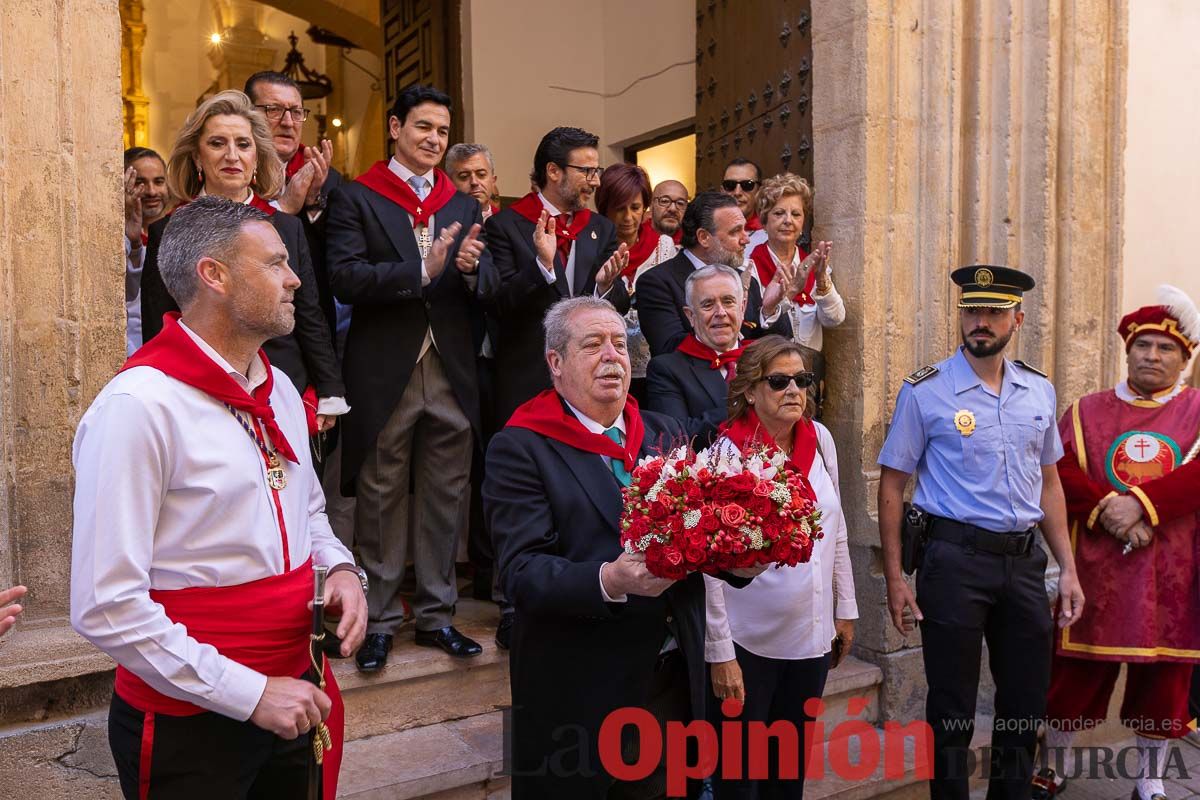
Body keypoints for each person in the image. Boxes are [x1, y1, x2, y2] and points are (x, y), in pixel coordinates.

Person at [70, 196, 368, 799]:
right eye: (276, 263)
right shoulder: (137, 408)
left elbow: (305, 508)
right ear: (215, 275)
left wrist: (338, 567)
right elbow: (105, 603)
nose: (295, 280)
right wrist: (250, 692)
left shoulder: (279, 384)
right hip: (192, 717)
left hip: (294, 688)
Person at [483, 296, 759, 799]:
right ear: (555, 363)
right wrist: (607, 580)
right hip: (584, 693)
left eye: (620, 343)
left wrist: (744, 559)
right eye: (593, 344)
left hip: (675, 681)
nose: (613, 355)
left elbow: (699, 540)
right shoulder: (520, 447)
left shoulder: (663, 433)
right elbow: (522, 572)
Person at [876, 265, 1085, 800]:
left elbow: (1051, 485)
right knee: (951, 706)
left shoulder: (1038, 390)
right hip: (953, 561)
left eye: (993, 312)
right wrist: (896, 578)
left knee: (1023, 701)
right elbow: (893, 485)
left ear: (1017, 318)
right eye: (972, 310)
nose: (981, 322)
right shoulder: (925, 392)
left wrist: (1067, 570)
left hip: (1024, 563)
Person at [326, 84, 493, 670]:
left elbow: (486, 287)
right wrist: (417, 271)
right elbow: (344, 277)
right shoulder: (358, 196)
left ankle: (438, 616)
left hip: (450, 364)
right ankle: (379, 619)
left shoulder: (464, 203)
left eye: (443, 132)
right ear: (395, 128)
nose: (434, 140)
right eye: (424, 128)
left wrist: (473, 272)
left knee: (447, 492)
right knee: (379, 495)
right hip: (385, 365)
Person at [1036, 287, 1200, 800]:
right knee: (1073, 674)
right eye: (1143, 346)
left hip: (1174, 572)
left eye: (1165, 348)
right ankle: (1055, 765)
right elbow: (1056, 469)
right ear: (1126, 351)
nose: (1152, 356)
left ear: (1184, 357)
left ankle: (1149, 780)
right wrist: (1117, 511)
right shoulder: (1087, 412)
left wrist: (1145, 506)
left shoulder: (1196, 411)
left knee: (1165, 683)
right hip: (1096, 567)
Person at [138, 90, 346, 441]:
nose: (232, 156)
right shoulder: (168, 229)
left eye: (243, 145)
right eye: (217, 143)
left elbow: (309, 312)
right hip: (199, 392)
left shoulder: (287, 226)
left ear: (257, 157)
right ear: (198, 157)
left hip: (283, 386)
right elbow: (158, 324)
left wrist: (329, 389)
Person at [705, 335, 857, 799]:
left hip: (810, 637)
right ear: (751, 390)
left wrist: (845, 607)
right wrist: (720, 651)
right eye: (779, 381)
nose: (794, 390)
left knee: (786, 778)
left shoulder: (822, 439)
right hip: (749, 643)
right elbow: (708, 567)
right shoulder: (725, 456)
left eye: (802, 380)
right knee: (739, 781)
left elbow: (838, 528)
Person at [484, 126, 632, 424]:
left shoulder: (600, 229)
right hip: (527, 378)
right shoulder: (506, 225)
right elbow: (498, 303)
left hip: (589, 382)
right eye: (587, 171)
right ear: (553, 171)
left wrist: (603, 289)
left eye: (597, 171)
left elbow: (621, 304)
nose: (596, 181)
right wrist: (542, 267)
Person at [244, 70, 342, 342]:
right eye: (274, 110)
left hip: (310, 325)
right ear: (248, 114)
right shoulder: (232, 173)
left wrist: (313, 204)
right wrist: (284, 207)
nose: (288, 122)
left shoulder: (328, 177)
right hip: (249, 322)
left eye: (296, 112)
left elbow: (340, 255)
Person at [637, 191, 791, 358]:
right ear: (703, 237)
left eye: (745, 229)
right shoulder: (656, 283)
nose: (746, 239)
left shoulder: (745, 280)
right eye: (735, 232)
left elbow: (779, 347)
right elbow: (671, 347)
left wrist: (768, 310)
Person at [748, 174, 842, 415]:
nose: (788, 221)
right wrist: (787, 295)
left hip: (808, 377)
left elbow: (834, 319)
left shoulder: (815, 264)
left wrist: (821, 281)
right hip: (769, 379)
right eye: (779, 213)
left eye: (796, 214)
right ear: (764, 220)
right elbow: (753, 329)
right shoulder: (750, 268)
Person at [596, 163, 678, 399]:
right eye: (619, 209)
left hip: (656, 362)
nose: (628, 217)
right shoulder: (595, 246)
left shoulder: (663, 246)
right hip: (609, 361)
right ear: (605, 209)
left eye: (635, 207)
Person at [644, 265, 746, 444]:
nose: (720, 313)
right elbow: (675, 438)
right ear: (690, 316)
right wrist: (745, 405)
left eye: (728, 301)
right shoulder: (667, 370)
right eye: (708, 305)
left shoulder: (766, 359)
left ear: (742, 308)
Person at [123, 147, 171, 355]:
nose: (152, 191)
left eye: (159, 182)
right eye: (141, 182)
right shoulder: (118, 237)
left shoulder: (178, 231)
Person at [446, 142, 500, 220]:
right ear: (450, 183)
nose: (474, 182)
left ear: (493, 181)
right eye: (464, 176)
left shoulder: (507, 222)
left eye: (481, 175)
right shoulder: (440, 220)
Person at [721, 158, 765, 247]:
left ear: (759, 191)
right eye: (730, 185)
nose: (737, 192)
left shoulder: (772, 237)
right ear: (722, 190)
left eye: (747, 185)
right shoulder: (706, 233)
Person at [651, 179, 689, 244]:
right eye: (665, 201)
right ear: (651, 205)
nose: (673, 209)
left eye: (680, 203)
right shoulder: (636, 237)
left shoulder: (694, 244)